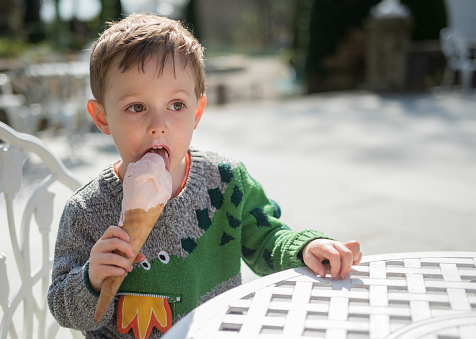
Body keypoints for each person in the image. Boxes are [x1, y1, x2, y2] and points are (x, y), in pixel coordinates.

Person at [48, 13, 362, 339]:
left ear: (197, 111)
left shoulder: (226, 182)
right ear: (102, 118)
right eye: (136, 108)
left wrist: (306, 248)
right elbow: (62, 307)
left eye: (176, 105)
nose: (159, 124)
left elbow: (267, 239)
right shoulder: (87, 210)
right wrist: (91, 279)